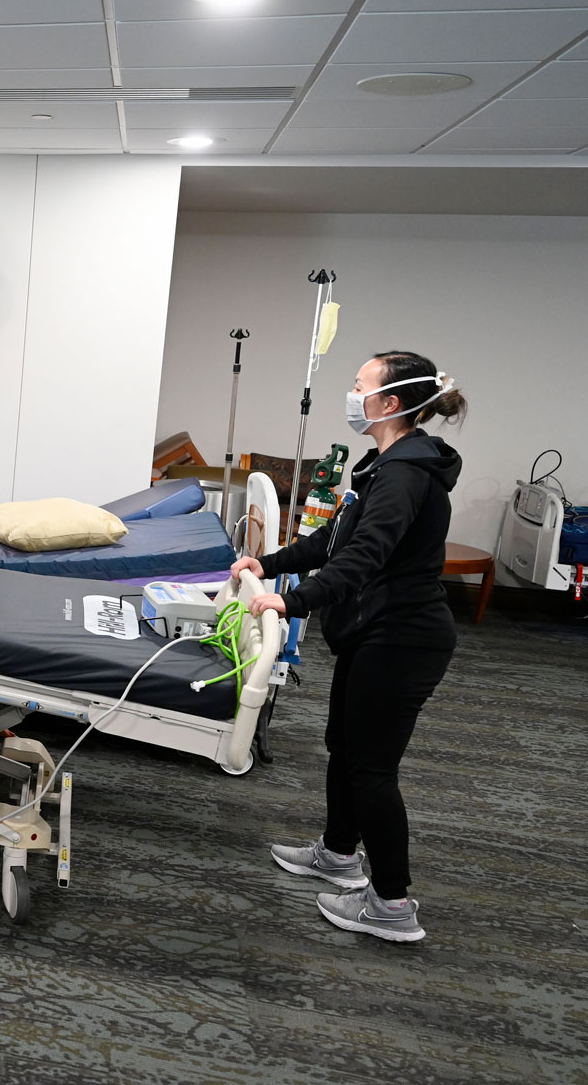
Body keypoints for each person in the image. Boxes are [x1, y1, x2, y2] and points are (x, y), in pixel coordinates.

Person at [231, 351, 467, 943]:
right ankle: (338, 854)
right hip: (375, 632)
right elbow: (335, 541)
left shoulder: (406, 473)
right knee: (345, 747)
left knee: (371, 770)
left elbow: (366, 558)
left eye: (358, 386)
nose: (351, 394)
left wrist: (294, 601)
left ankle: (392, 904)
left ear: (390, 404)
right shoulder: (384, 464)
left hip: (404, 639)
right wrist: (272, 563)